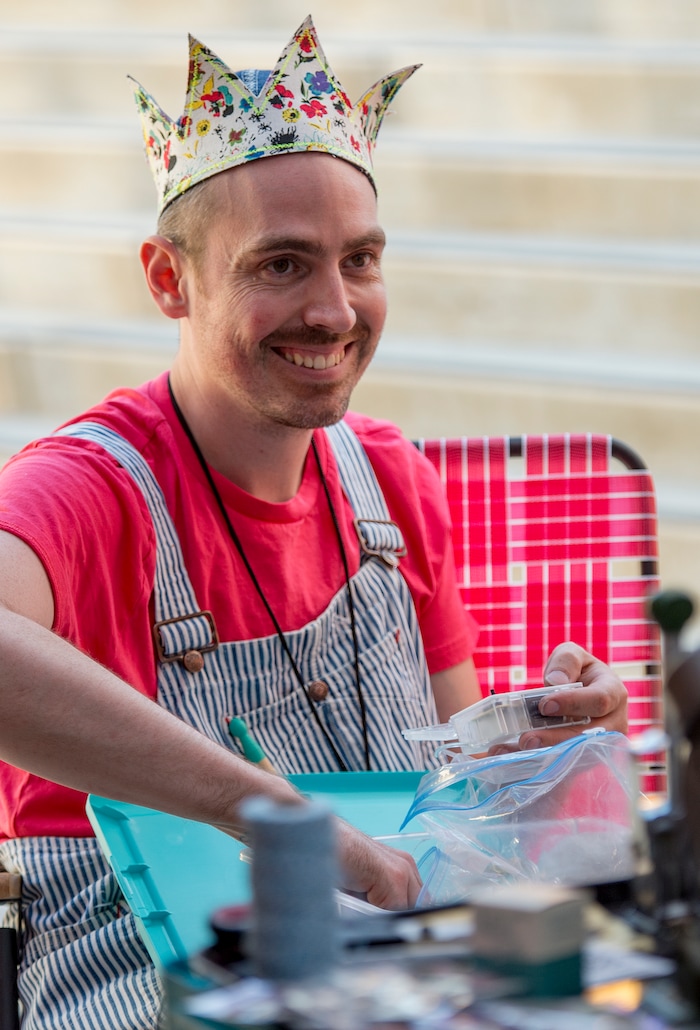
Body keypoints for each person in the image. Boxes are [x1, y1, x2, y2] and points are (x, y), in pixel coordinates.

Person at [0, 17, 628, 1029]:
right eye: (280, 265)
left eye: (360, 259)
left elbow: (463, 800)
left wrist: (549, 745)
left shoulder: (388, 477)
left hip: (394, 970)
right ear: (170, 279)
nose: (335, 311)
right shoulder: (90, 488)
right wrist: (280, 814)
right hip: (154, 979)